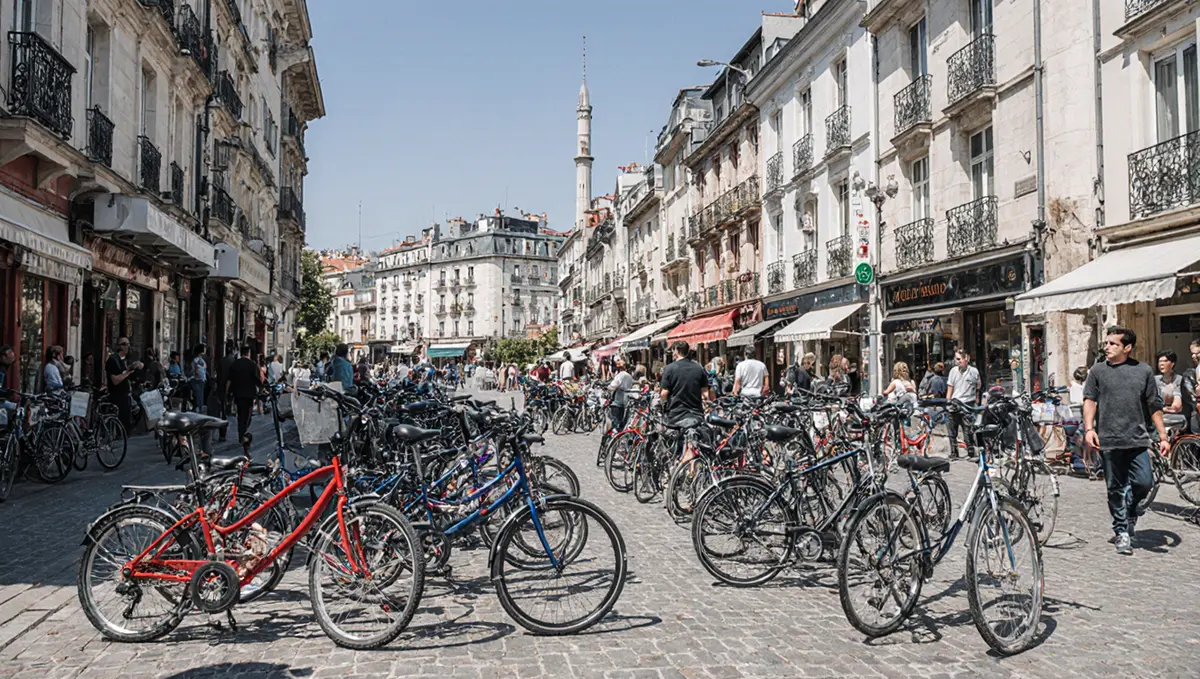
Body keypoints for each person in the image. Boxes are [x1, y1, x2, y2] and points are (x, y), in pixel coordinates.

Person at [1083, 326, 1170, 555]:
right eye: (1106, 343)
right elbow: (1089, 400)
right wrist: (1089, 429)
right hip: (1109, 440)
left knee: (1144, 482)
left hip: (1137, 438)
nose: (1107, 347)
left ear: (1127, 348)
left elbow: (1154, 406)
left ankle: (1131, 510)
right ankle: (1122, 530)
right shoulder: (1097, 371)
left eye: (1113, 344)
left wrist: (1163, 435)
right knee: (1115, 488)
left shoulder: (1143, 371)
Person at [660, 341, 713, 461]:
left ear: (677, 351)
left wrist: (662, 403)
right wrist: (708, 404)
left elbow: (664, 393)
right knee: (695, 441)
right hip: (696, 415)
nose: (673, 353)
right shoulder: (699, 368)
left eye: (673, 350)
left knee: (670, 444)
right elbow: (705, 392)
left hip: (675, 415)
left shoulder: (670, 368)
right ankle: (690, 466)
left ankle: (673, 464)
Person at [225, 343, 263, 450]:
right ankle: (244, 432)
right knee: (247, 415)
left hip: (237, 393)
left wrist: (227, 393)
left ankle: (241, 433)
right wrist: (262, 387)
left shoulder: (235, 364)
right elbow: (257, 379)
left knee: (240, 414)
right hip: (249, 394)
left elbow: (229, 380)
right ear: (249, 353)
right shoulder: (252, 364)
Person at [945, 350, 981, 459]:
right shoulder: (953, 371)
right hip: (955, 403)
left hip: (968, 404)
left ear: (966, 359)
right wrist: (948, 402)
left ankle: (970, 451)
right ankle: (954, 452)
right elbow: (950, 388)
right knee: (952, 431)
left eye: (960, 359)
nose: (957, 362)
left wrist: (976, 401)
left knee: (968, 431)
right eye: (956, 359)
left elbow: (977, 387)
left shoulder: (974, 371)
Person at [107, 338, 144, 429]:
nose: (128, 346)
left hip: (126, 394)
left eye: (128, 344)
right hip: (118, 396)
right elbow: (115, 380)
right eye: (125, 344)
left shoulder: (124, 360)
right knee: (122, 422)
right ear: (120, 346)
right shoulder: (113, 360)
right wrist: (128, 372)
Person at [1155, 350, 1187, 431]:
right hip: (1158, 414)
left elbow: (1177, 403)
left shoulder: (1178, 379)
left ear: (1172, 363)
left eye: (1165, 361)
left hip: (1174, 415)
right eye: (1160, 361)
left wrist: (1172, 407)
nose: (1161, 364)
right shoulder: (1155, 380)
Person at [608, 357, 634, 433]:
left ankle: (612, 439)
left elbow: (613, 386)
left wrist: (608, 387)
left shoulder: (620, 375)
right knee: (622, 425)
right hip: (625, 402)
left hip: (617, 402)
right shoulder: (629, 376)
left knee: (615, 424)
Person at [188, 343, 208, 413]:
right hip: (199, 380)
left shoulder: (196, 360)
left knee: (198, 396)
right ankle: (199, 411)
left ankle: (197, 410)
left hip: (197, 380)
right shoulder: (200, 360)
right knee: (199, 397)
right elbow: (200, 371)